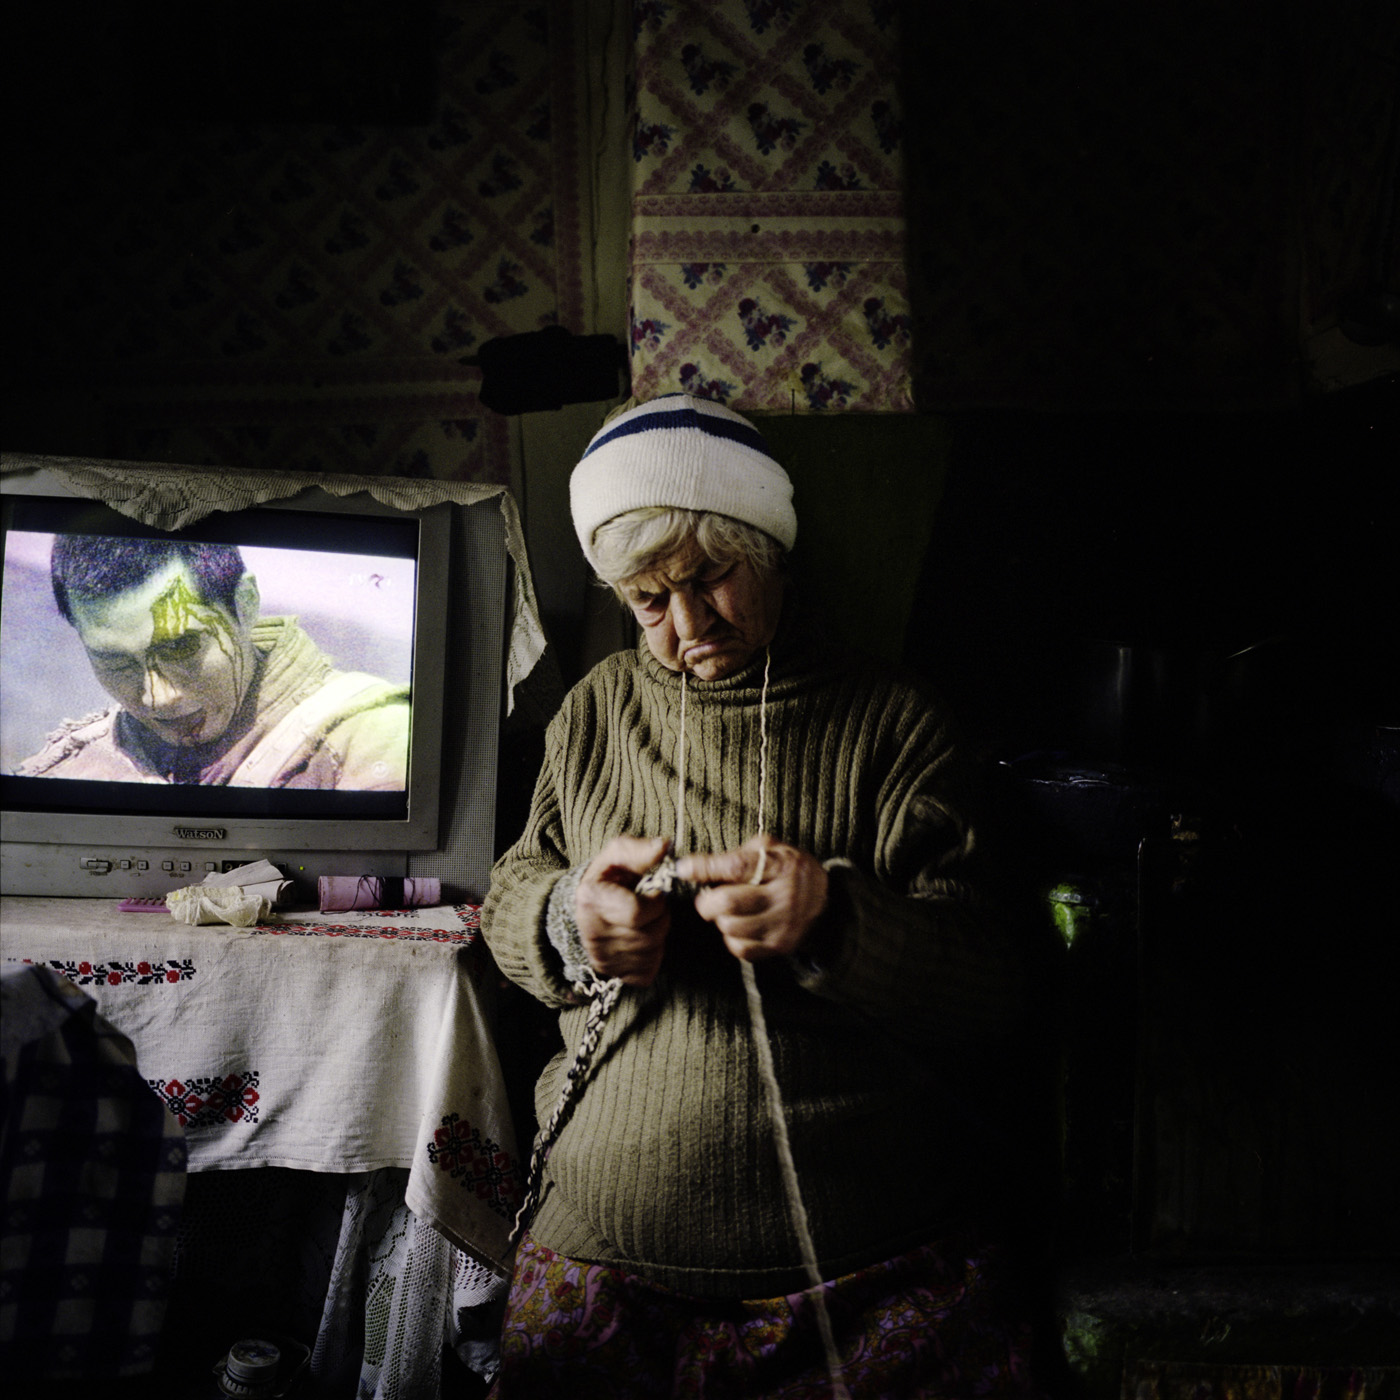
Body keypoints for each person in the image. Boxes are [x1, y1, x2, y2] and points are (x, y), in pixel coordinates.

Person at [481, 394, 1047, 1398]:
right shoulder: (596, 711)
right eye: (648, 601)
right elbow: (511, 895)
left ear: (770, 548)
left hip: (867, 1254)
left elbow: (994, 987)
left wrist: (834, 918)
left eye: (708, 579)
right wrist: (573, 918)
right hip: (606, 1244)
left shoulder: (894, 721)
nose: (686, 626)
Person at [15, 536, 409, 789]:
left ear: (246, 603)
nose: (158, 699)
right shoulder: (70, 767)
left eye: (181, 647)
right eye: (116, 662)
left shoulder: (372, 740)